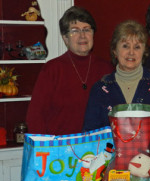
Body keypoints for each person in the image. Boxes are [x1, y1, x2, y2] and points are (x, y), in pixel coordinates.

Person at [83, 20, 150, 152]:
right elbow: (91, 136)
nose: (131, 52)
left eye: (137, 47)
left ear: (144, 51)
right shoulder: (100, 89)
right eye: (125, 46)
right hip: (110, 166)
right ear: (115, 50)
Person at [26, 6, 113, 135]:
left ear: (93, 34)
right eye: (75, 31)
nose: (82, 35)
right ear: (65, 38)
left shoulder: (107, 69)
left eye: (87, 29)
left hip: (98, 148)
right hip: (59, 149)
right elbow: (35, 117)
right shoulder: (52, 70)